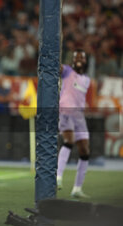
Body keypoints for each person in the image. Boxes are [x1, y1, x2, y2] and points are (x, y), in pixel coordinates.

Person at [57, 49, 91, 198]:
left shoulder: (87, 80)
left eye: (81, 57)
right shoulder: (68, 71)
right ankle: (57, 178)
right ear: (72, 60)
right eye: (76, 56)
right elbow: (58, 67)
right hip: (65, 112)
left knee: (85, 151)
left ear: (85, 61)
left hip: (79, 115)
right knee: (68, 141)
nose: (78, 59)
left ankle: (77, 188)